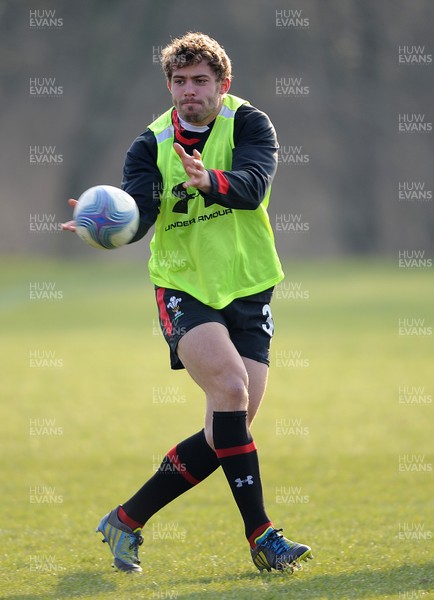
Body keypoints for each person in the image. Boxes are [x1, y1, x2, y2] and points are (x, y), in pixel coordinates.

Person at [62, 31, 313, 574]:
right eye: (179, 81)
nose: (189, 91)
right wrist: (104, 225)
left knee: (228, 426)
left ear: (223, 84)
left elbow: (252, 184)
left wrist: (210, 180)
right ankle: (262, 536)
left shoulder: (251, 124)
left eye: (201, 81)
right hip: (184, 287)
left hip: (249, 284)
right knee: (230, 387)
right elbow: (143, 212)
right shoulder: (148, 144)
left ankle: (125, 520)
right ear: (169, 86)